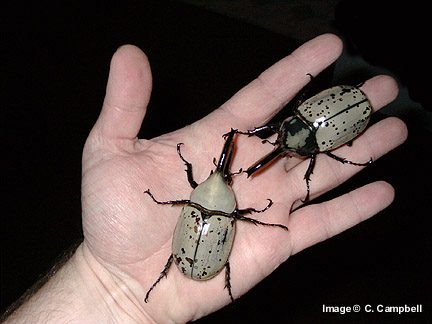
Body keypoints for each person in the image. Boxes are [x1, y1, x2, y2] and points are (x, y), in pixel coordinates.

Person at [2, 34, 407, 323]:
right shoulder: (226, 207)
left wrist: (112, 294)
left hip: (206, 232)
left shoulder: (203, 200)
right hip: (216, 228)